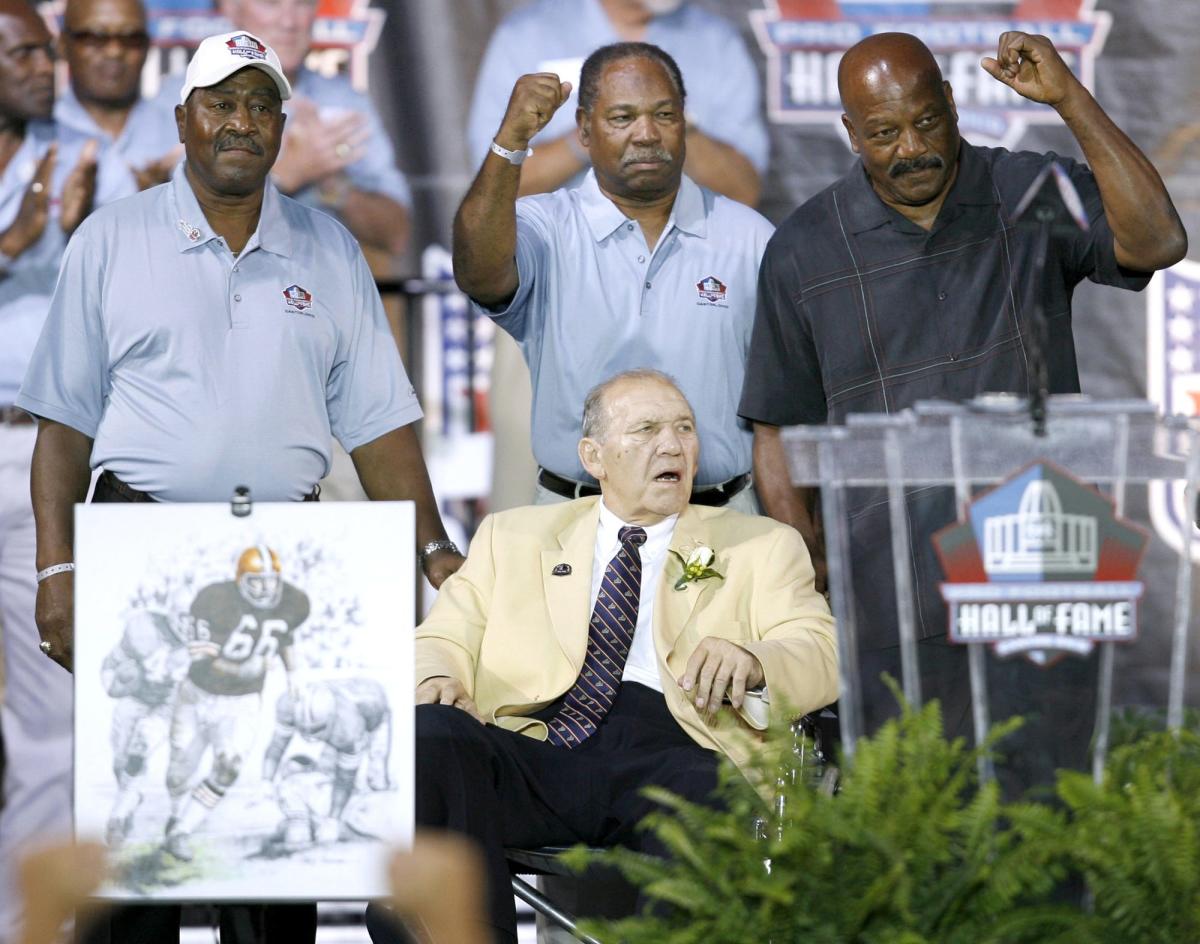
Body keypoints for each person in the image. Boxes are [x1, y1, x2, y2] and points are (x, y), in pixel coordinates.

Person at [15, 29, 463, 944]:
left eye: (262, 106)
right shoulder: (111, 239)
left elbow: (379, 428)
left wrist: (433, 549)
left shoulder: (329, 249)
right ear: (183, 119)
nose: (242, 124)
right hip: (143, 552)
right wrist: (57, 572)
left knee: (274, 842)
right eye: (221, 103)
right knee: (139, 831)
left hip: (285, 557)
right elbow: (63, 431)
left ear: (280, 126)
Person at [739, 33, 1187, 774]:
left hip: (1037, 570)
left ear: (952, 104)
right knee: (913, 825)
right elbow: (779, 429)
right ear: (852, 134)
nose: (912, 147)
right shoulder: (802, 247)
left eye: (926, 121)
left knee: (1047, 809)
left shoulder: (1031, 192)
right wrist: (811, 582)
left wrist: (1070, 100)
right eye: (883, 133)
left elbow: (1158, 240)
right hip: (887, 592)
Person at [366, 369, 838, 944]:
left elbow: (822, 650)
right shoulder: (512, 537)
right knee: (432, 735)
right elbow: (440, 638)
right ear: (595, 456)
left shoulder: (760, 545)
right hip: (542, 748)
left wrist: (756, 658)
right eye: (646, 430)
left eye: (684, 429)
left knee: (710, 801)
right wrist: (437, 679)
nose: (672, 445)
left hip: (682, 750)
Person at [468, 0, 770, 514]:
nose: (647, 133)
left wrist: (646, 112)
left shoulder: (714, 41)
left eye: (664, 115)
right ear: (586, 127)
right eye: (622, 117)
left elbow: (744, 183)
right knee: (528, 502)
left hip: (717, 506)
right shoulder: (531, 32)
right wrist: (543, 137)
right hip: (551, 277)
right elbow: (490, 195)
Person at [0, 1, 99, 938]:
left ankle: (33, 927)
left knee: (48, 716)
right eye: (25, 51)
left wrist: (71, 231)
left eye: (45, 47)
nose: (47, 65)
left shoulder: (82, 160)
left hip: (33, 448)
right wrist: (14, 244)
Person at [211, 0, 411, 258]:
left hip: (319, 290)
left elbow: (396, 235)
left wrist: (334, 185)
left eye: (302, 3)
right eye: (271, 3)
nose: (289, 22)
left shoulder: (344, 100)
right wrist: (290, 173)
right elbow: (175, 229)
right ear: (231, 8)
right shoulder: (183, 101)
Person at [162, 546, 311, 862]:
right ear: (240, 580)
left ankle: (181, 832)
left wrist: (294, 671)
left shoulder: (293, 601)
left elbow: (284, 635)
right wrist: (244, 668)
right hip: (198, 693)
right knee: (178, 770)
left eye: (270, 581)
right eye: (256, 581)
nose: (265, 588)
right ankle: (176, 816)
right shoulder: (215, 599)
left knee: (229, 766)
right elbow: (202, 658)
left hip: (243, 701)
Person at [55, 0, 182, 200]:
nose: (114, 51)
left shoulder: (183, 133)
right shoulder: (33, 134)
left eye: (131, 38)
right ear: (63, 44)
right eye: (95, 37)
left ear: (148, 46)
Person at [260, 677, 392, 851]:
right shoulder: (288, 704)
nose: (310, 736)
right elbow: (277, 744)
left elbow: (345, 778)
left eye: (316, 730)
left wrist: (333, 820)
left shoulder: (349, 726)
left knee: (375, 780)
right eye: (304, 729)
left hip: (373, 715)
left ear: (331, 719)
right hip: (342, 707)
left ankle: (345, 818)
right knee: (326, 771)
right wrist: (266, 780)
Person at [99, 608, 190, 848]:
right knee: (120, 759)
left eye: (193, 616)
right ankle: (130, 799)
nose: (188, 622)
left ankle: (118, 817)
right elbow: (112, 661)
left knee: (139, 751)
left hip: (169, 706)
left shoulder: (202, 642)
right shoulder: (145, 628)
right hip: (136, 697)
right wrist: (112, 684)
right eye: (183, 615)